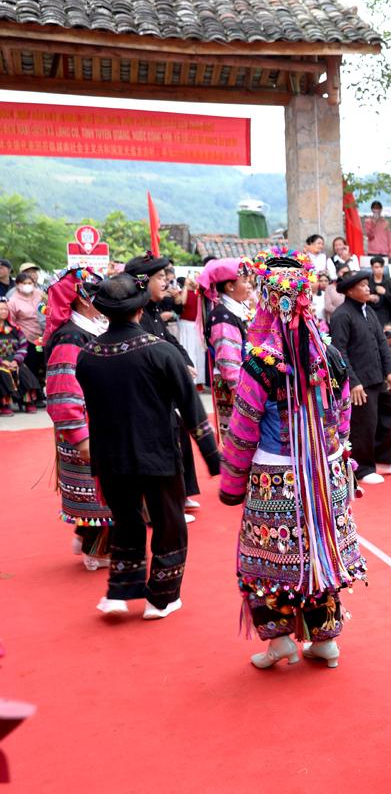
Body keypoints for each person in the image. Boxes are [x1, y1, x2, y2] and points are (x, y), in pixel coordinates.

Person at [220, 254, 367, 669]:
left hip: (276, 477)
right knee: (321, 549)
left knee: (271, 559)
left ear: (268, 299)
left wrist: (232, 485)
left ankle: (280, 640)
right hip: (325, 473)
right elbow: (342, 418)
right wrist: (332, 453)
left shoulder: (260, 362)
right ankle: (325, 639)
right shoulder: (331, 356)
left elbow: (243, 429)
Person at [76, 274, 221, 618]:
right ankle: (161, 597)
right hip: (155, 451)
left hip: (110, 456)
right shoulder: (161, 351)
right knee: (169, 522)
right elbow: (191, 408)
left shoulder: (87, 354)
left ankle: (120, 592)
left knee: (126, 521)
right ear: (140, 310)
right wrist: (213, 457)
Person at [125, 253, 207, 516]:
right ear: (142, 281)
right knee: (163, 445)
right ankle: (164, 507)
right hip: (146, 395)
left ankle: (182, 493)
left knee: (179, 435)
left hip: (162, 392)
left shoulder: (153, 310)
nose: (166, 282)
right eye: (160, 277)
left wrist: (184, 362)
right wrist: (176, 368)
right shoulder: (136, 315)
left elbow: (169, 343)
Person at [42, 269, 114, 569]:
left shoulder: (88, 330)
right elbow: (62, 391)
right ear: (84, 300)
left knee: (101, 490)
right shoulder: (71, 337)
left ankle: (87, 539)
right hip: (86, 426)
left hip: (98, 423)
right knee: (100, 492)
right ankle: (97, 550)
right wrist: (80, 436)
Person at [329, 270, 391, 484]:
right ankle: (362, 468)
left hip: (376, 376)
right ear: (350, 291)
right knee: (364, 424)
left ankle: (383, 458)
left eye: (367, 284)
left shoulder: (369, 310)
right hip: (359, 381)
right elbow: (338, 352)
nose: (367, 288)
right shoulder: (341, 315)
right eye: (362, 285)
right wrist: (352, 382)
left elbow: (382, 343)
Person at [197, 258, 251, 440]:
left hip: (242, 382)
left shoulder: (234, 311)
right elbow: (229, 363)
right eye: (245, 281)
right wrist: (244, 394)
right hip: (234, 387)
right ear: (230, 286)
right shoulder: (222, 316)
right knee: (237, 440)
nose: (249, 286)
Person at [6, 272, 45, 404]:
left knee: (42, 365)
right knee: (30, 366)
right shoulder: (13, 301)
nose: (28, 286)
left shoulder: (40, 295)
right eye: (24, 283)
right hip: (26, 338)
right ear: (18, 285)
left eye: (30, 283)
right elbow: (11, 321)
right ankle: (31, 397)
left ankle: (40, 392)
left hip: (42, 336)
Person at [0, 298, 39, 415]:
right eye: (1, 309)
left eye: (5, 309)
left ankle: (28, 402)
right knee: (3, 374)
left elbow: (23, 345)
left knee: (23, 372)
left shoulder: (15, 329)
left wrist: (16, 360)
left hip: (13, 360)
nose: (4, 311)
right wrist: (2, 362)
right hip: (1, 362)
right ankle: (3, 404)